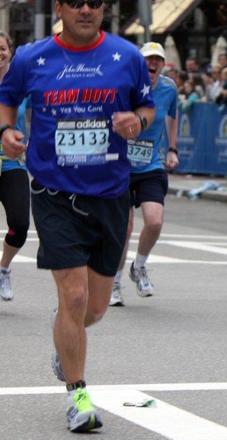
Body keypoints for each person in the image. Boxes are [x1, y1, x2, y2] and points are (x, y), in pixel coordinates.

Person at [0, 0, 154, 432]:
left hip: (110, 194)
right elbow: (6, 100)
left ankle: (65, 337)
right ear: (59, 7)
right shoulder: (32, 57)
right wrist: (6, 131)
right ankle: (78, 396)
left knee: (96, 308)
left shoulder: (127, 56)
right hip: (54, 192)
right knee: (74, 297)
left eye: (95, 2)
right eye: (76, 1)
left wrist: (137, 122)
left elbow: (146, 108)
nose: (86, 9)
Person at [110, 42, 179, 306]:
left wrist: (172, 149)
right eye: (148, 59)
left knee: (154, 221)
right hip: (122, 166)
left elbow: (172, 117)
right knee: (124, 228)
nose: (152, 63)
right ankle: (114, 282)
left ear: (162, 64)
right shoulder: (125, 85)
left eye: (157, 60)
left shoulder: (169, 88)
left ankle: (138, 266)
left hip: (151, 164)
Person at [0, 31, 30, 302]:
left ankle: (3, 269)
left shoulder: (21, 84)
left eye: (2, 48)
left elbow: (38, 118)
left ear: (10, 52)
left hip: (12, 164)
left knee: (19, 225)